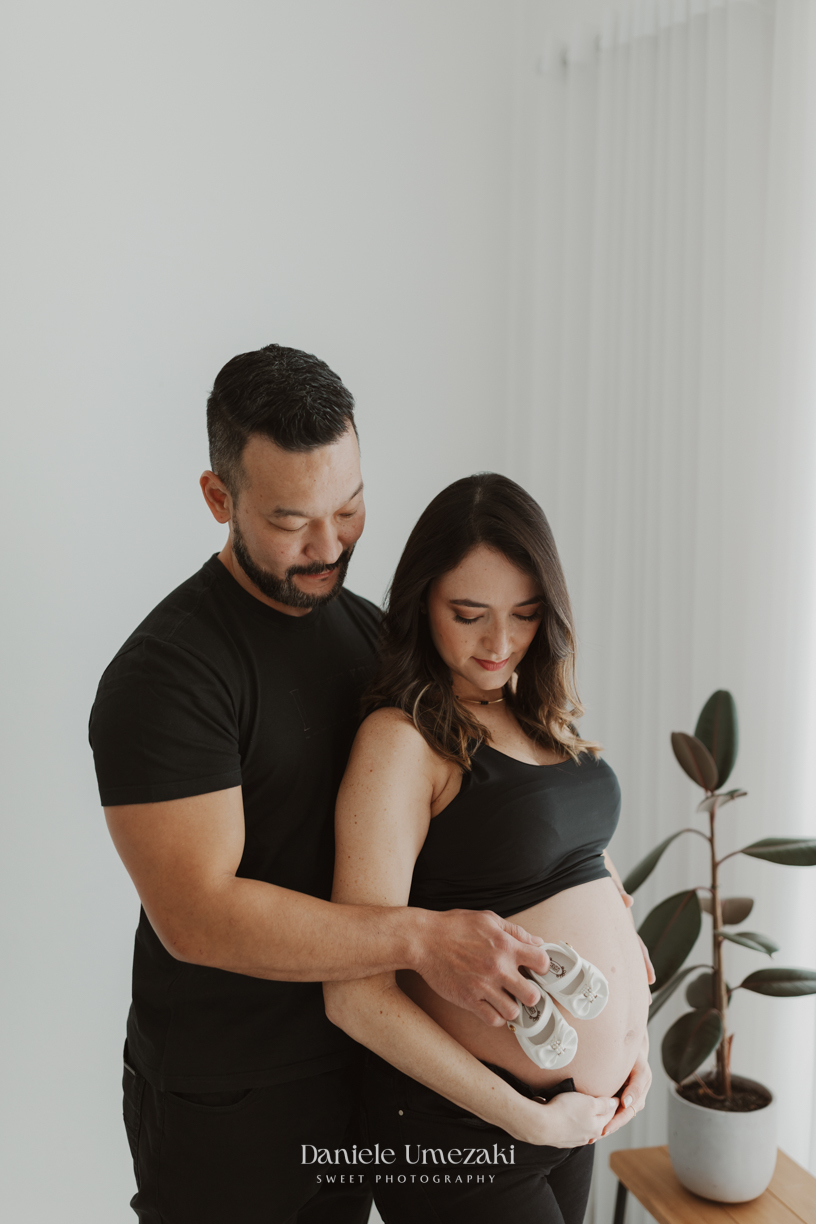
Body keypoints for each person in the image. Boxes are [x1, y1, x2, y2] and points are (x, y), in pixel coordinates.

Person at [89, 347, 560, 1224]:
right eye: (291, 520)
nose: (329, 545)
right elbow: (196, 917)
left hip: (364, 1065)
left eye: (350, 508)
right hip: (226, 1096)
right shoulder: (167, 677)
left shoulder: (376, 635)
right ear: (218, 499)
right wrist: (420, 942)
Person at [324, 472, 654, 1224]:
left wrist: (631, 1043)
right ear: (421, 603)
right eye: (467, 614)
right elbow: (354, 995)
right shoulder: (402, 742)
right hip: (465, 1129)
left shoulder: (541, 716)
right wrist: (526, 1118)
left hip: (574, 1115)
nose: (499, 643)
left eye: (525, 615)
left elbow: (564, 860)